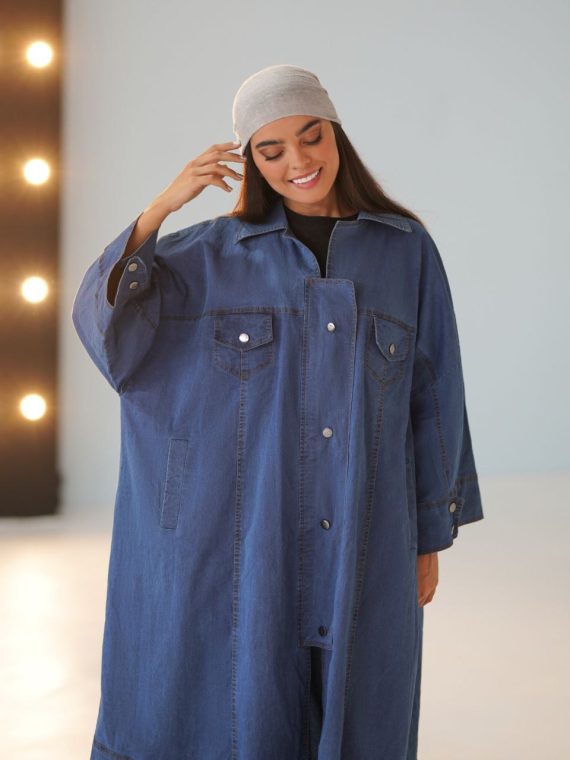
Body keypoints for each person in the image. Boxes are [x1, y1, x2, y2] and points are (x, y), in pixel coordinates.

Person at [72, 64, 484, 760]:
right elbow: (108, 330)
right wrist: (159, 209)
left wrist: (429, 534)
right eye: (271, 150)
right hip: (251, 538)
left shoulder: (405, 249)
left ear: (335, 132)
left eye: (311, 136)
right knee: (246, 699)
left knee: (363, 701)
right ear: (252, 162)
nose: (299, 161)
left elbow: (433, 393)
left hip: (368, 529)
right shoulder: (207, 257)